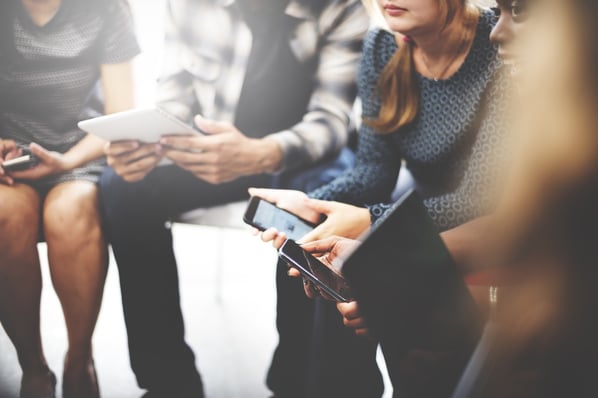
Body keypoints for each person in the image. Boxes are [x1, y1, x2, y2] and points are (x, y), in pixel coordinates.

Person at [98, 1, 371, 397]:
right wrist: (152, 143)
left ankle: (294, 383)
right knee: (122, 185)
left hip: (302, 157)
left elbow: (330, 120)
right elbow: (175, 95)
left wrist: (261, 153)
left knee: (321, 204)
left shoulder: (341, 9)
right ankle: (168, 380)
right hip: (215, 152)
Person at [0, 1, 139, 397]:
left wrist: (66, 161)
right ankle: (33, 368)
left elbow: (119, 116)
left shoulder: (108, 9)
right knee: (4, 213)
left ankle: (79, 361)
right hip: (12, 160)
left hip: (82, 152)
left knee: (71, 211)